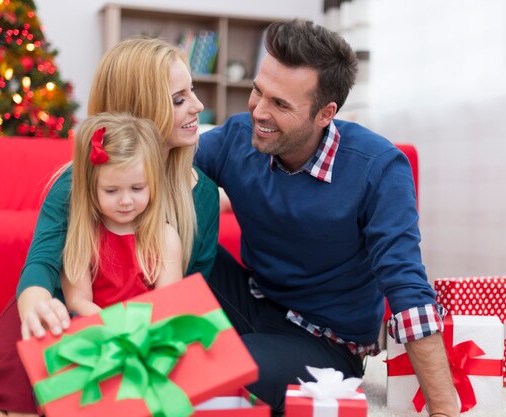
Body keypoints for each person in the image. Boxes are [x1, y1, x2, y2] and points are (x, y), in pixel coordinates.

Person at [195, 19, 460, 417]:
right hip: (252, 299)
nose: (258, 111)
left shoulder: (379, 168)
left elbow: (407, 289)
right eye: (257, 91)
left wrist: (443, 408)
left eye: (280, 104)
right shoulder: (238, 137)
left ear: (325, 113)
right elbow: (148, 171)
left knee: (217, 372)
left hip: (325, 342)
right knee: (170, 230)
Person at [0, 38, 218, 417]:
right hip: (59, 326)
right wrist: (34, 300)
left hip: (128, 347)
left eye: (192, 91)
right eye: (179, 99)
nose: (198, 105)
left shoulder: (202, 196)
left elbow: (187, 298)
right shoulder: (75, 183)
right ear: (142, 113)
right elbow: (42, 262)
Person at [61, 112, 183, 317]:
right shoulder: (84, 236)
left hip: (149, 335)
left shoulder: (164, 238)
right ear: (91, 188)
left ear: (152, 185)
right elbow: (77, 301)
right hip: (97, 333)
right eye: (111, 191)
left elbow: (167, 304)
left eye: (137, 188)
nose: (126, 201)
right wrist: (114, 328)